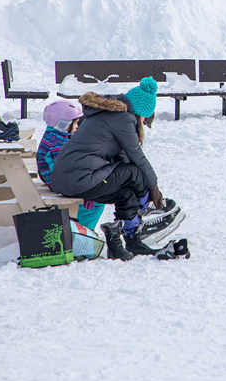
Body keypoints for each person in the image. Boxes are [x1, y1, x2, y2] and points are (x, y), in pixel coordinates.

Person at [51, 77, 173, 260]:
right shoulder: (123, 119)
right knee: (134, 172)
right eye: (144, 119)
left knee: (126, 192)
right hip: (79, 178)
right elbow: (136, 157)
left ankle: (130, 241)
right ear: (141, 112)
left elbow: (122, 156)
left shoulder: (108, 115)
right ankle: (145, 209)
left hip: (68, 178)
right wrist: (153, 188)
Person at [36, 99, 105, 231]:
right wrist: (86, 192)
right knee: (97, 202)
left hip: (57, 180)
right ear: (63, 124)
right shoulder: (57, 144)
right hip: (61, 184)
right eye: (75, 123)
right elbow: (66, 172)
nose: (77, 126)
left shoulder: (56, 135)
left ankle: (81, 230)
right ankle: (82, 232)